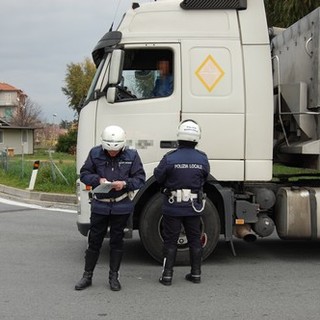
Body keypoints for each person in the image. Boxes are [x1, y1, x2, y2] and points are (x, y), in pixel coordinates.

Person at [75, 125, 146, 291]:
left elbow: (140, 178)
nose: (112, 153)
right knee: (94, 241)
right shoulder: (95, 153)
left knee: (117, 242)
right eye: (109, 151)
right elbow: (84, 174)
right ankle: (87, 276)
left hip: (121, 205)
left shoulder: (132, 155)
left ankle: (114, 276)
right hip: (100, 205)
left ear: (122, 145)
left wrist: (125, 184)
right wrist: (97, 180)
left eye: (116, 151)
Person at [154, 119, 210, 286]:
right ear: (197, 138)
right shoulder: (202, 158)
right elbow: (205, 177)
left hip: (173, 206)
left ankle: (167, 276)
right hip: (193, 206)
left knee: (170, 240)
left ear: (179, 136)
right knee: (194, 239)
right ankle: (196, 274)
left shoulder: (170, 158)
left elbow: (158, 176)